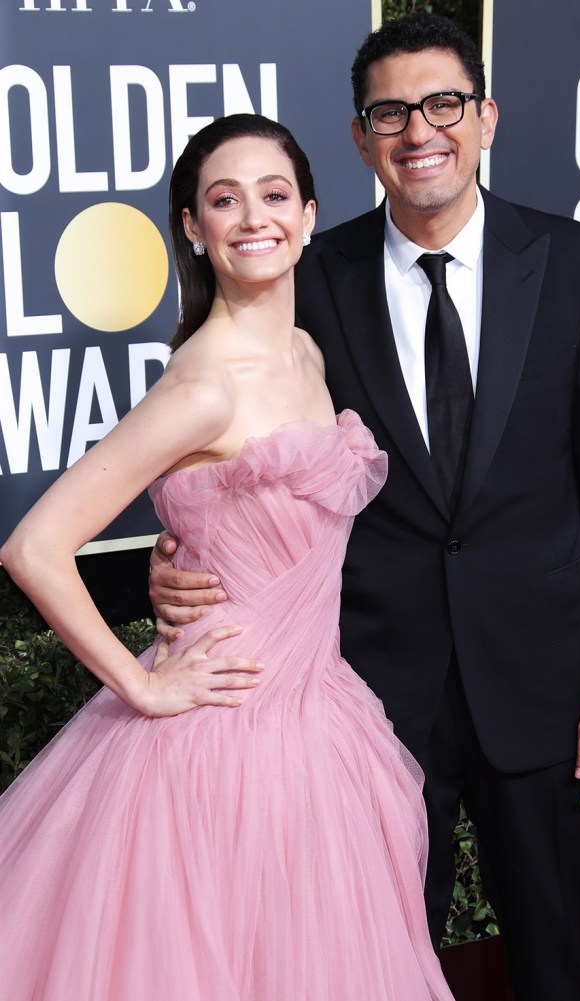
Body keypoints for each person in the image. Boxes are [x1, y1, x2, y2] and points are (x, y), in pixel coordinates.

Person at [149, 14, 580, 1001]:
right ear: (358, 137)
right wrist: (172, 553)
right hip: (368, 702)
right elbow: (233, 446)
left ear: (483, 119)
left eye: (440, 104)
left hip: (548, 693)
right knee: (372, 969)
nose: (416, 128)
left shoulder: (575, 264)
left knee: (559, 966)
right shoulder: (310, 281)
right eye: (389, 110)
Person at [0, 113, 455, 1001]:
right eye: (223, 199)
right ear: (192, 228)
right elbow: (34, 545)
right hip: (218, 744)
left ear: (311, 213)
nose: (254, 217)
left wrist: (187, 547)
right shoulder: (203, 386)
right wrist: (144, 686)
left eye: (273, 194)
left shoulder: (303, 352)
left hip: (320, 723)